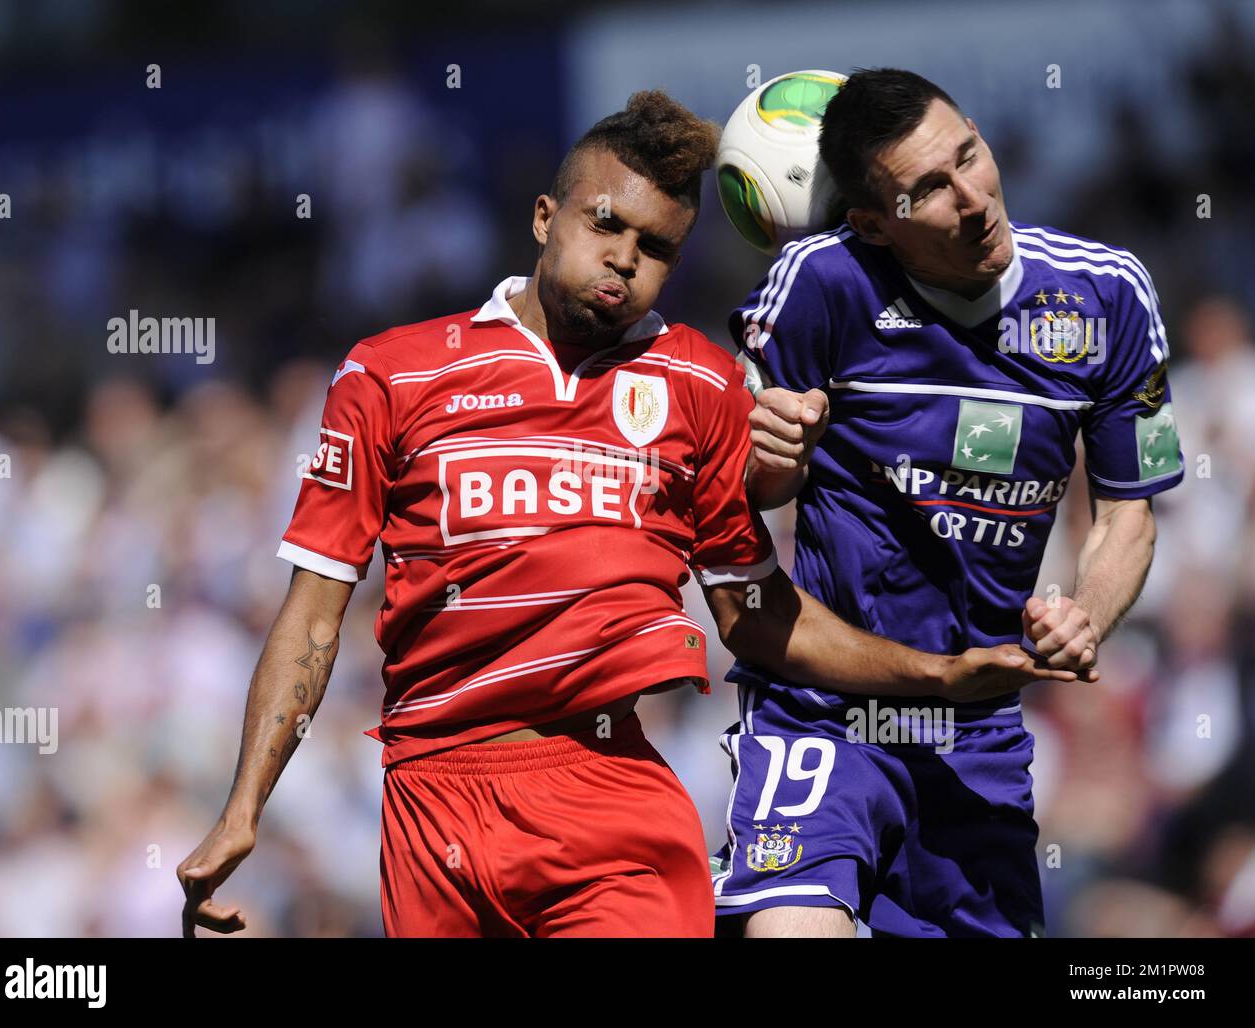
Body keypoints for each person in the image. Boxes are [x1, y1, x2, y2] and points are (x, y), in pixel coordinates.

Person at [178, 90, 1082, 939]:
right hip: (430, 802)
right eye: (604, 224)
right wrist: (243, 811)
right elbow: (311, 616)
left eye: (656, 248)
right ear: (545, 217)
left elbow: (754, 613)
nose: (623, 259)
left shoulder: (698, 383)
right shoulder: (392, 374)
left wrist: (933, 673)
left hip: (610, 800)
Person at [715, 67, 1182, 938]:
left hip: (978, 735)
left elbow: (1127, 513)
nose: (974, 198)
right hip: (823, 718)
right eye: (930, 188)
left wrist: (1086, 613)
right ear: (870, 224)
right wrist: (773, 456)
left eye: (970, 154)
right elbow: (742, 498)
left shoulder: (1108, 295)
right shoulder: (817, 285)